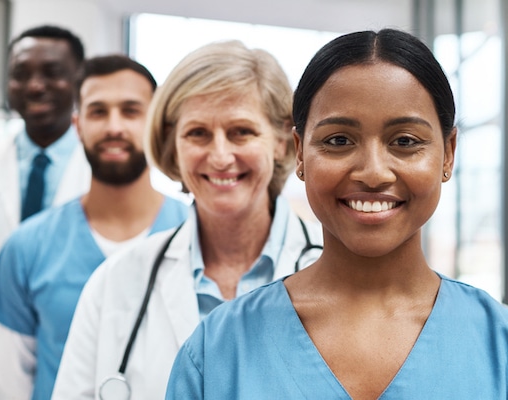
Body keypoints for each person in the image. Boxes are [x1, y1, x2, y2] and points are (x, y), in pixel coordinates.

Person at [165, 28, 508, 400]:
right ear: (299, 153)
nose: (374, 172)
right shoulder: (218, 351)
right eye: (338, 141)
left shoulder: (499, 345)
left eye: (405, 142)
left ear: (448, 153)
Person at [52, 40, 322, 400]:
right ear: (172, 146)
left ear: (281, 141)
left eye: (241, 131)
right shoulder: (116, 283)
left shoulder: (337, 274)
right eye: (198, 133)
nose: (220, 156)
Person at [0, 55, 189, 400]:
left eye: (131, 110)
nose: (114, 126)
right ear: (78, 125)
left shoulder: (196, 237)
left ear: (156, 125)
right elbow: (3, 386)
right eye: (98, 111)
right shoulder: (27, 246)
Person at [0, 25, 91, 399]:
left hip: (71, 362)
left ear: (79, 80)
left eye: (52, 73)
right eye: (21, 73)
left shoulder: (100, 177)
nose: (34, 85)